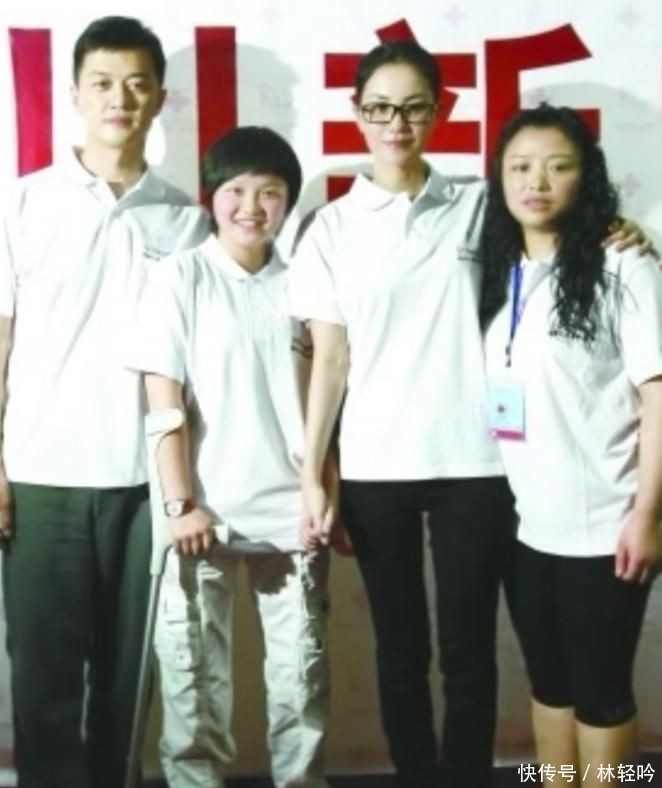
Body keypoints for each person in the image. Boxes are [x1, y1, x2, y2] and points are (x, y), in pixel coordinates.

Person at [288, 40, 653, 788]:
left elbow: (560, 230)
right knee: (400, 651)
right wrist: (314, 472)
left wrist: (626, 230)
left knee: (468, 650)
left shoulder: (481, 205)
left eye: (413, 106)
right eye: (380, 107)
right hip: (377, 465)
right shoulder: (332, 226)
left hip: (480, 465)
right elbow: (329, 360)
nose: (396, 122)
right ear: (357, 112)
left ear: (439, 111)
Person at [0, 16, 209, 788]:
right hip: (42, 475)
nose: (119, 98)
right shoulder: (24, 205)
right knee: (44, 682)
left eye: (136, 83)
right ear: (75, 95)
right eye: (102, 83)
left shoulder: (186, 219)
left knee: (130, 682)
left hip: (144, 485)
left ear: (158, 97)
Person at [128, 126, 331, 788]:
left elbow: (328, 405)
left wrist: (324, 492)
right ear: (212, 196)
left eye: (269, 192)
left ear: (288, 202)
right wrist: (180, 504)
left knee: (301, 685)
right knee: (194, 688)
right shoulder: (179, 276)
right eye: (236, 190)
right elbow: (163, 401)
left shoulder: (306, 285)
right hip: (202, 515)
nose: (251, 207)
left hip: (293, 514)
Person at [479, 104, 662, 787]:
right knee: (549, 684)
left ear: (588, 176)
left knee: (600, 690)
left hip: (606, 526)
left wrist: (647, 515)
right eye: (521, 167)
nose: (537, 182)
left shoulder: (624, 267)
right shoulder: (499, 272)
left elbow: (658, 396)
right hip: (529, 527)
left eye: (558, 166)